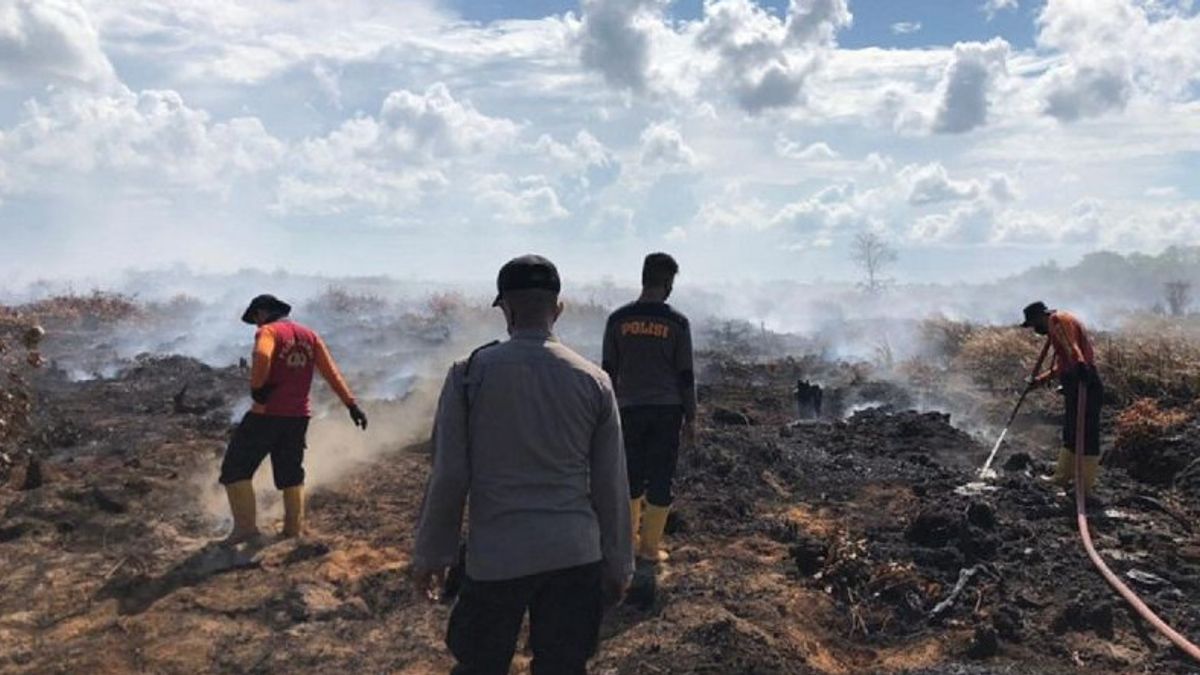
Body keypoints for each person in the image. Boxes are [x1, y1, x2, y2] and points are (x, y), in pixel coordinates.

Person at [412, 255, 633, 675]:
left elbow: (449, 475)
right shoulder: (594, 380)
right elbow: (611, 484)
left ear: (506, 309)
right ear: (559, 308)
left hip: (496, 558)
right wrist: (619, 562)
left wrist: (432, 554)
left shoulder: (468, 375)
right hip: (574, 555)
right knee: (563, 667)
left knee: (480, 665)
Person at [219, 294, 368, 544]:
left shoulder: (268, 332)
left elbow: (262, 356)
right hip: (298, 417)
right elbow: (331, 372)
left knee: (235, 469)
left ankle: (245, 530)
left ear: (262, 312)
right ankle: (292, 531)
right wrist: (351, 404)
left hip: (265, 416)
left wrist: (257, 388)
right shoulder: (310, 335)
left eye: (256, 319)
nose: (256, 325)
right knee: (290, 472)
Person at [602, 252, 696, 563]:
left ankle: (626, 545)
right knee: (661, 477)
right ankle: (650, 549)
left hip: (627, 410)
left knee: (629, 476)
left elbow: (607, 372)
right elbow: (685, 374)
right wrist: (692, 417)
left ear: (644, 278)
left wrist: (604, 415)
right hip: (667, 412)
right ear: (668, 283)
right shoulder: (677, 323)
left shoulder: (618, 320)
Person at [1021, 301, 1103, 495]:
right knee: (1071, 432)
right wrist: (1040, 381)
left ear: (1041, 316)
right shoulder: (1055, 325)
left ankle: (1084, 487)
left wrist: (1081, 365)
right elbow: (1063, 364)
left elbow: (1072, 347)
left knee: (1087, 434)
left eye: (1034, 325)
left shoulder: (1058, 321)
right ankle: (1061, 477)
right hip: (1075, 382)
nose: (1035, 330)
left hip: (1085, 383)